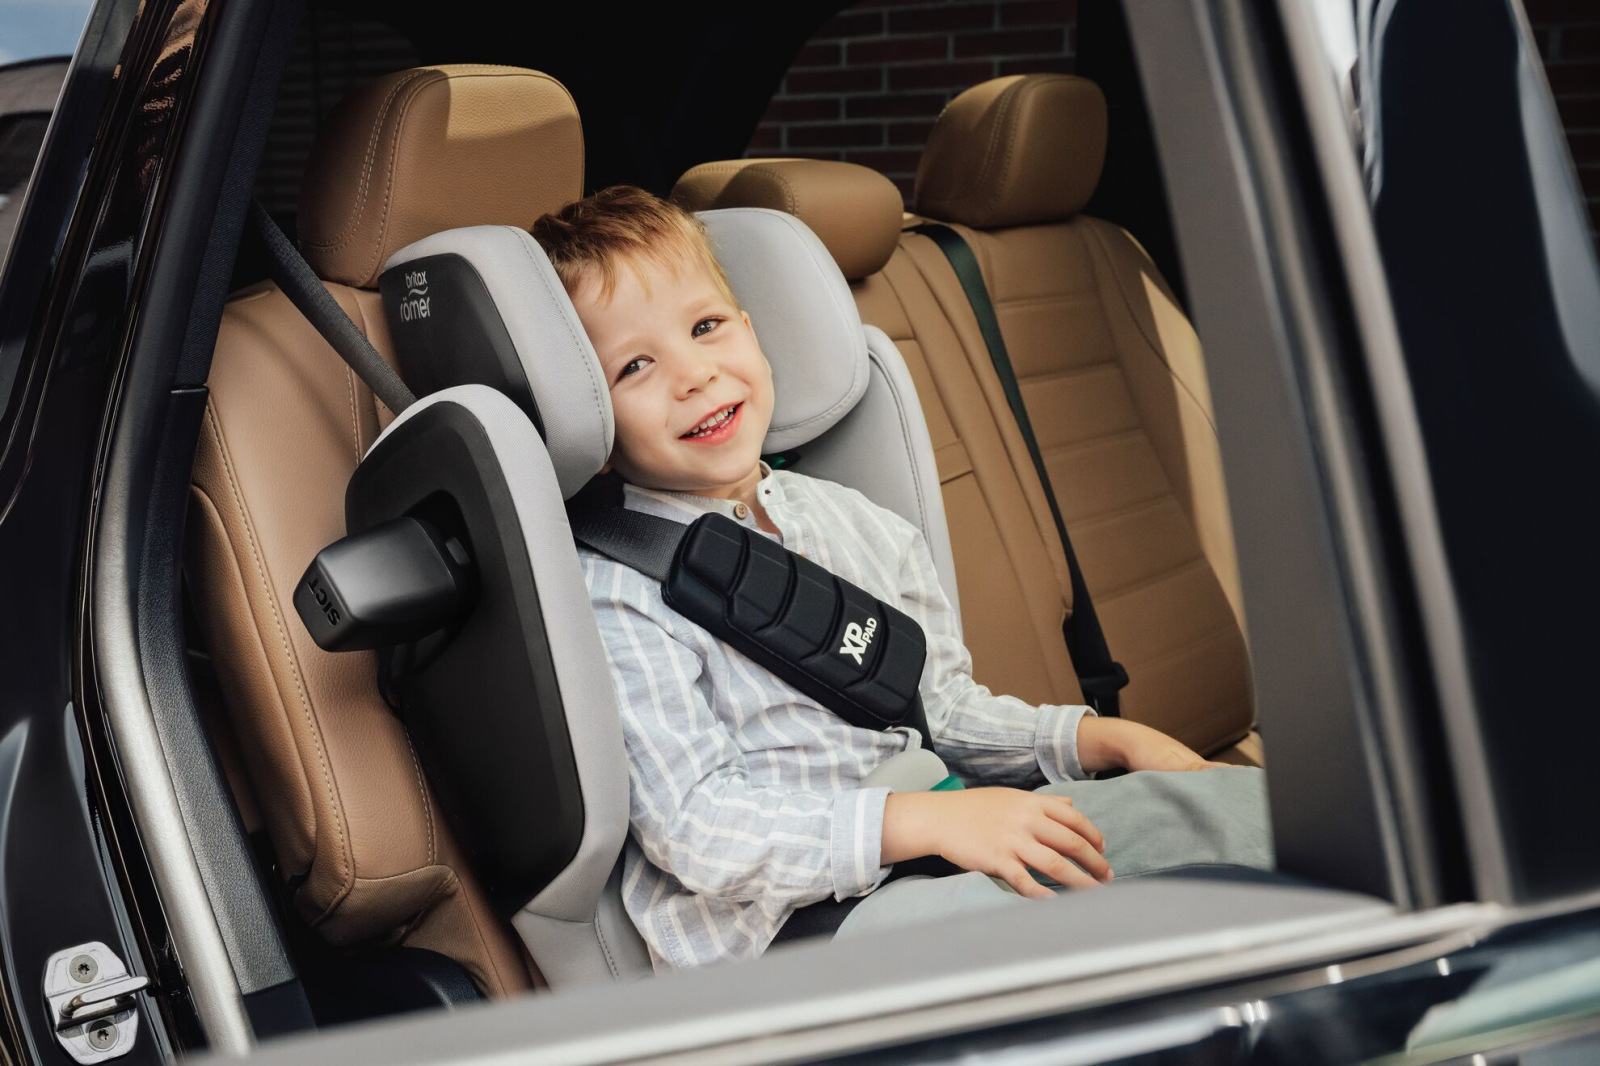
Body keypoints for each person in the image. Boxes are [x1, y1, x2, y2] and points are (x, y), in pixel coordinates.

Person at [530, 186, 1271, 972]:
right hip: (791, 936)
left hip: (937, 846)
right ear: (591, 418)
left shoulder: (858, 523)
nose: (694, 374)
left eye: (706, 327)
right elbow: (701, 829)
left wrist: (1095, 737)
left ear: (750, 330)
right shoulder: (617, 595)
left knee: (1250, 814)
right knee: (1095, 948)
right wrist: (920, 823)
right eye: (635, 366)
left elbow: (940, 709)